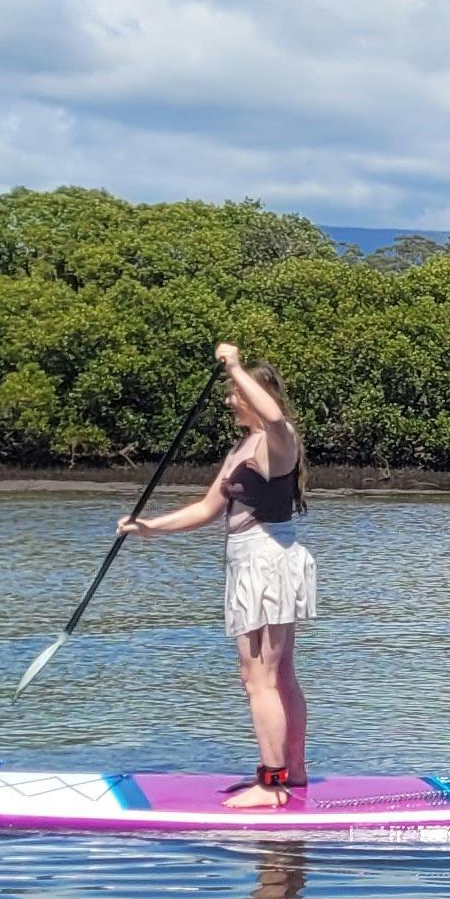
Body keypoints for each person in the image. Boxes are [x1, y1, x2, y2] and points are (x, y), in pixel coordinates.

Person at [122, 341, 315, 804]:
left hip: (267, 559)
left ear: (255, 393)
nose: (230, 399)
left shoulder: (278, 439)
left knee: (260, 678)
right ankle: (293, 773)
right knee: (278, 673)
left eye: (236, 391)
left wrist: (234, 365)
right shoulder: (239, 450)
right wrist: (150, 528)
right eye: (230, 390)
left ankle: (271, 784)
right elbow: (208, 509)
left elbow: (273, 415)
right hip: (250, 560)